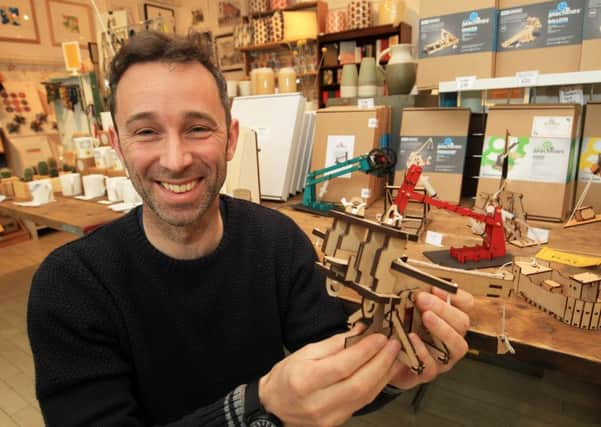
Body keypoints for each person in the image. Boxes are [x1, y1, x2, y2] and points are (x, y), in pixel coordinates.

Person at [27, 31, 473, 427]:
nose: (176, 158)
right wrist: (258, 407)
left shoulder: (277, 242)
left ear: (232, 137)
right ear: (117, 145)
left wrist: (388, 372)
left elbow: (329, 380)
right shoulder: (71, 288)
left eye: (198, 127)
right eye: (146, 131)